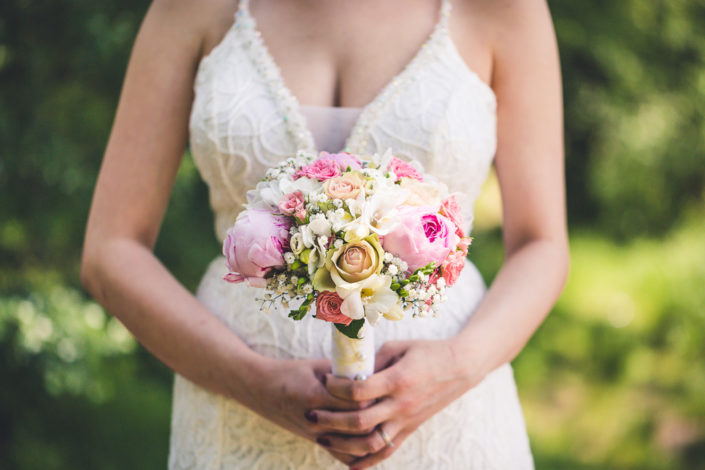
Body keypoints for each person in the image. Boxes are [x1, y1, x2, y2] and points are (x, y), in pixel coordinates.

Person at [81, 0, 569, 468]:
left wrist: (457, 366)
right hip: (238, 417)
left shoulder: (503, 7)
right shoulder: (190, 7)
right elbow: (111, 250)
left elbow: (541, 245)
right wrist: (249, 380)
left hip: (446, 420)